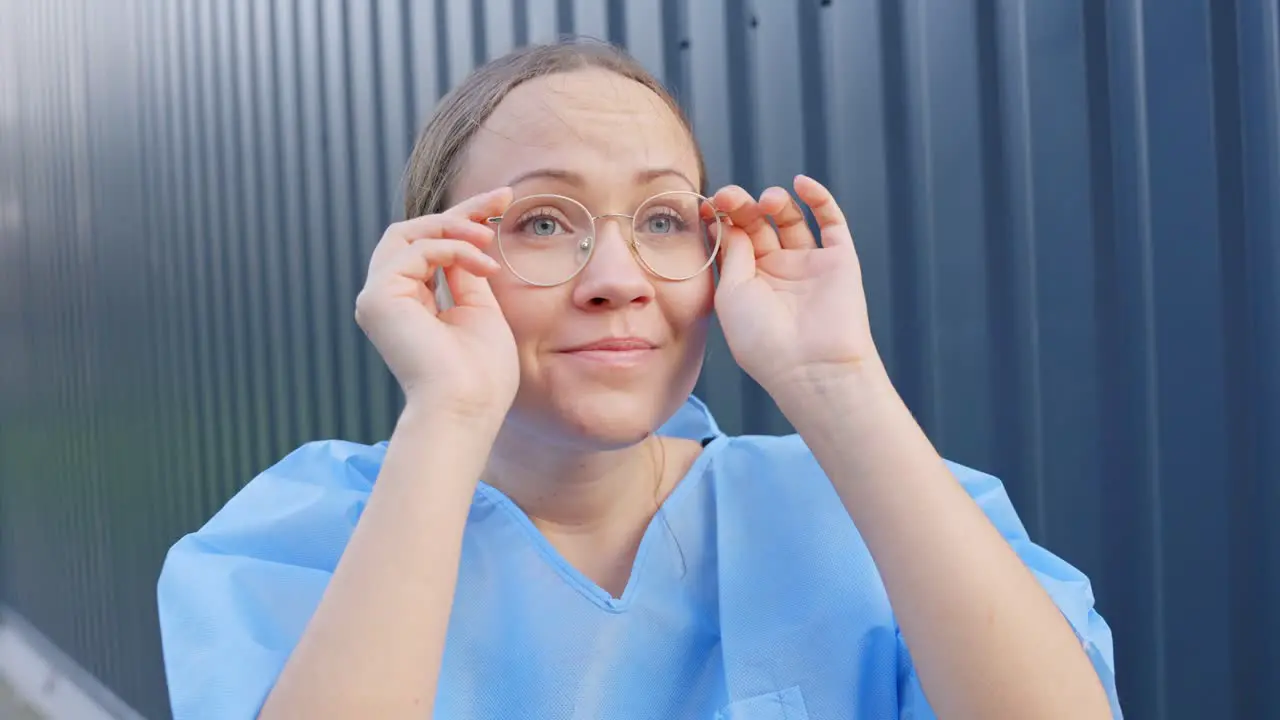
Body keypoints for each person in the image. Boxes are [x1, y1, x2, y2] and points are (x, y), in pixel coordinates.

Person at [156, 39, 1120, 720]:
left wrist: (837, 380)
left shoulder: (883, 507)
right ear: (440, 264)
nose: (616, 281)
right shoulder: (290, 544)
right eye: (542, 222)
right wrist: (448, 411)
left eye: (662, 220)